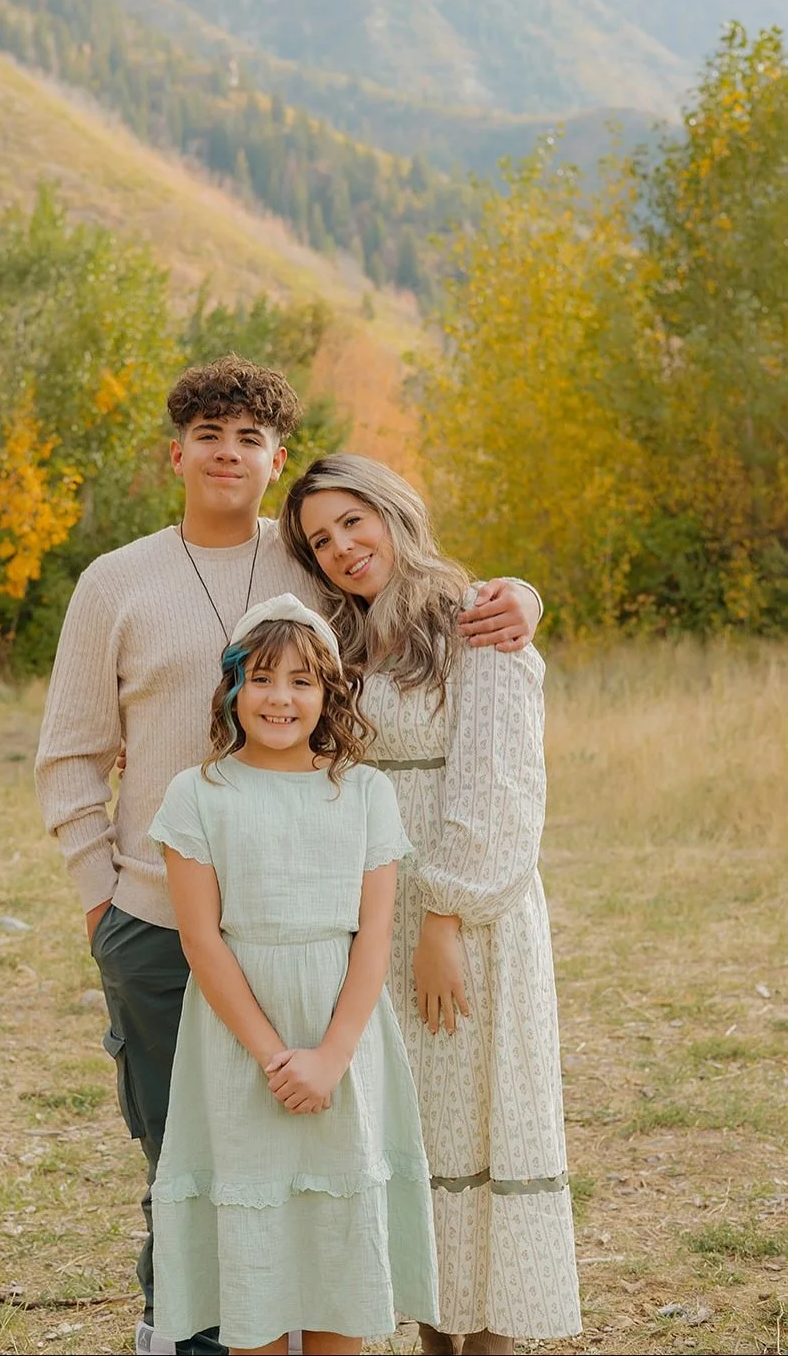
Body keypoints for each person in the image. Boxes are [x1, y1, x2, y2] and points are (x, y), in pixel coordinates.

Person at [35, 356, 542, 1356]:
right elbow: (69, 755)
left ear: (273, 461)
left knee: (312, 1151)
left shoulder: (309, 564)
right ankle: (184, 1337)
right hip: (152, 918)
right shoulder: (114, 581)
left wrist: (518, 597)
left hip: (304, 917)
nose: (227, 453)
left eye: (248, 439)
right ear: (173, 453)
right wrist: (102, 903)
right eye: (207, 436)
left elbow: (420, 590)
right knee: (184, 1154)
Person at [280, 455, 582, 1356]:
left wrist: (444, 916)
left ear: (393, 510)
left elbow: (499, 783)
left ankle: (481, 1341)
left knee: (471, 1131)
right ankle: (430, 1339)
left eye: (351, 522)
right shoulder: (342, 636)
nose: (340, 548)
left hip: (461, 918)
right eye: (320, 540)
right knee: (409, 1138)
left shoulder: (474, 621)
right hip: (371, 919)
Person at [148, 595, 439, 1355]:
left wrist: (331, 1056)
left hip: (342, 1033)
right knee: (257, 1242)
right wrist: (275, 1057)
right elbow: (202, 941)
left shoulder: (364, 792)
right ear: (232, 688)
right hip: (240, 1042)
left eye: (302, 681)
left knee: (337, 1236)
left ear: (329, 695)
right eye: (263, 679)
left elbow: (373, 935)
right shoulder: (197, 794)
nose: (281, 698)